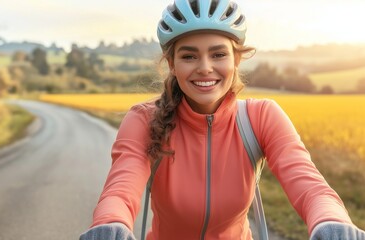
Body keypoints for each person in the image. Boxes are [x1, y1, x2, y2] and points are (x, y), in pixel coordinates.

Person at [80, 0, 365, 239]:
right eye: (189, 56)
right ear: (172, 64)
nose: (205, 68)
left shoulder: (261, 117)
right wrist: (111, 224)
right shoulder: (143, 119)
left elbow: (308, 183)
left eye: (218, 54)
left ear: (236, 60)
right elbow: (120, 188)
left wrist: (330, 221)